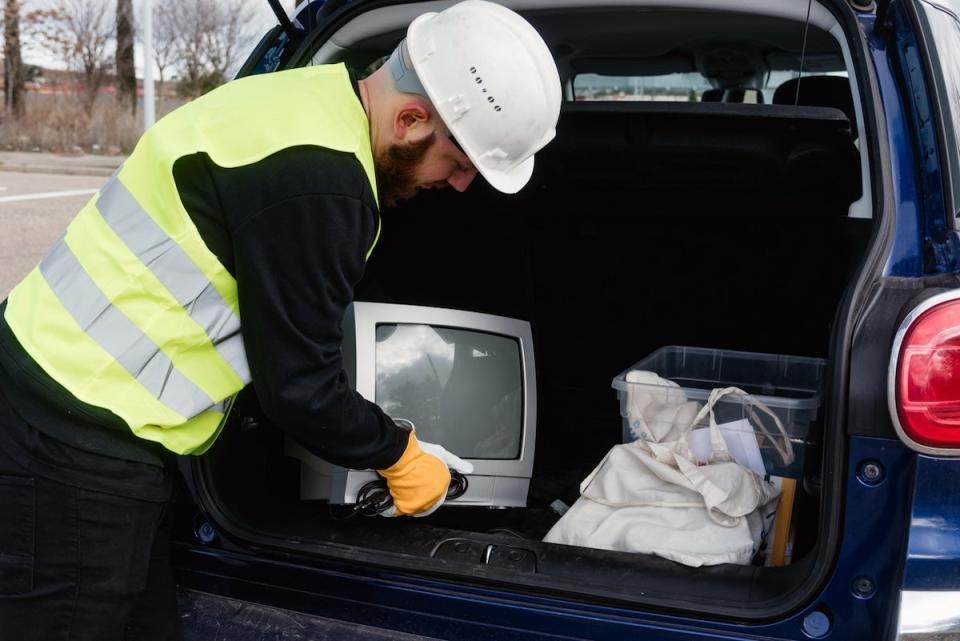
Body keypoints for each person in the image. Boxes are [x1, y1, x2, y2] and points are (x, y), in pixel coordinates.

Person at [0, 1, 561, 639]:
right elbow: (298, 387)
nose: (460, 185)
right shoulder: (319, 182)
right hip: (75, 429)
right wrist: (400, 455)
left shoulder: (309, 97)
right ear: (411, 119)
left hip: (65, 387)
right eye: (460, 164)